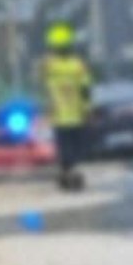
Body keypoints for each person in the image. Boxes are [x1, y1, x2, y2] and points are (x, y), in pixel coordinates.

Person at [42, 22, 93, 191]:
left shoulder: (49, 66)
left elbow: (45, 88)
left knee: (64, 148)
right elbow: (85, 89)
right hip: (76, 114)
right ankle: (71, 172)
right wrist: (87, 109)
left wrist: (47, 108)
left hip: (59, 115)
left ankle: (67, 173)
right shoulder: (79, 66)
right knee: (76, 147)